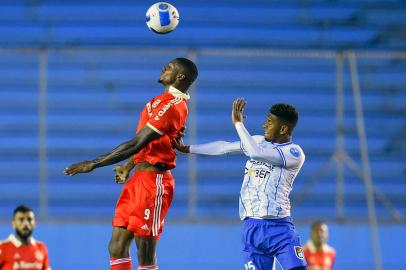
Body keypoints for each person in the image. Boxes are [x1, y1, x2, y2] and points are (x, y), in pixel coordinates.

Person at [64, 58, 198, 270]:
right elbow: (146, 144)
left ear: (180, 76)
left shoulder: (174, 106)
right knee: (116, 246)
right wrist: (129, 165)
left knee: (144, 251)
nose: (165, 67)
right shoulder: (158, 101)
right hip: (138, 179)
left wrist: (94, 163)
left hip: (154, 183)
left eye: (170, 67)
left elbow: (136, 143)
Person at [174, 98, 308, 270]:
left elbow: (256, 153)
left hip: (279, 228)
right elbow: (224, 147)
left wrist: (238, 124)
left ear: (283, 129)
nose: (264, 126)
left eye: (269, 122)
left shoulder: (294, 153)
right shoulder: (258, 141)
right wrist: (189, 148)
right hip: (252, 228)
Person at [0, 205, 51, 270]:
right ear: (13, 223)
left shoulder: (41, 248)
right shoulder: (2, 247)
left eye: (29, 219)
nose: (26, 223)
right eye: (21, 219)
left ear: (34, 223)